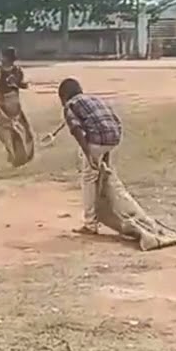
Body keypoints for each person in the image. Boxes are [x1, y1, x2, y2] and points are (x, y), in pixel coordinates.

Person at [58, 78, 122, 235]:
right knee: (100, 172)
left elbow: (77, 130)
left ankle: (90, 223)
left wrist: (89, 155)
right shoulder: (93, 98)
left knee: (88, 178)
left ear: (64, 96)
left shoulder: (70, 106)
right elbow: (115, 122)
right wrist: (104, 155)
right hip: (114, 137)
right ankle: (104, 211)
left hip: (97, 140)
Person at [0, 47, 35, 167]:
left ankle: (14, 153)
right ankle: (23, 152)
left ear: (6, 58)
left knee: (3, 127)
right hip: (14, 100)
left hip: (4, 101)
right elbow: (22, 85)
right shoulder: (18, 71)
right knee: (19, 126)